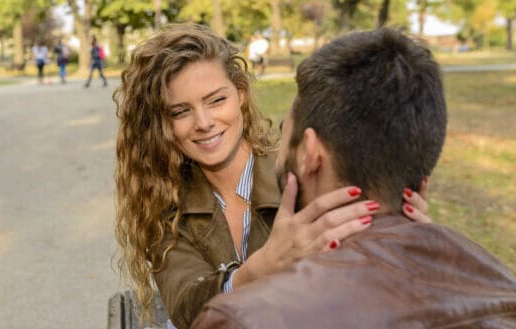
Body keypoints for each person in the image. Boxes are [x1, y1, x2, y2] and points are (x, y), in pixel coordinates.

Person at [191, 28, 516, 329]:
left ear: (310, 154)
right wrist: (420, 252)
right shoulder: (502, 288)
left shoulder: (243, 318)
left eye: (283, 135)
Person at [113, 23, 431, 329]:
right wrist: (259, 270)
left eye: (216, 100)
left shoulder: (304, 170)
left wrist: (405, 239)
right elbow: (185, 308)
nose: (204, 122)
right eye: (181, 111)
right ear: (163, 124)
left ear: (241, 95)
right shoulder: (161, 197)